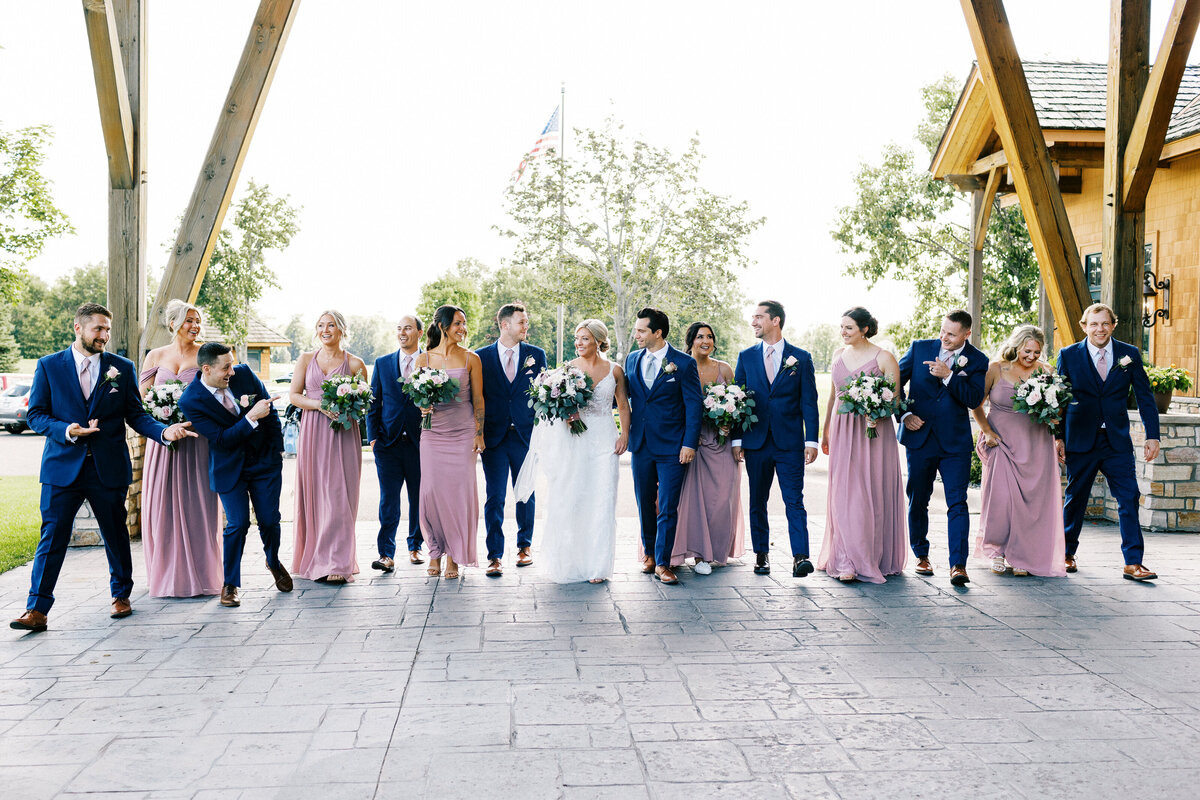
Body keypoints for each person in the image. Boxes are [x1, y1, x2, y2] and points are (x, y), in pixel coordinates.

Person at [11, 303, 197, 632]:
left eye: (107, 330)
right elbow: (37, 415)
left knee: (114, 533)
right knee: (52, 537)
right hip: (61, 467)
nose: (104, 336)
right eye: (98, 329)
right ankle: (36, 609)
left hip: (107, 468)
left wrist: (163, 431)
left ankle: (121, 595)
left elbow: (136, 415)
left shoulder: (120, 368)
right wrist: (67, 430)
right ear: (78, 328)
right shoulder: (49, 366)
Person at [178, 342, 293, 607]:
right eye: (225, 367)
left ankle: (273, 561)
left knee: (269, 520)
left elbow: (271, 412)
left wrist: (277, 451)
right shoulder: (191, 400)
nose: (232, 371)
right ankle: (230, 583)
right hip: (229, 468)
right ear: (206, 369)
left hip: (264, 463)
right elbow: (221, 439)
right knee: (238, 524)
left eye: (232, 363)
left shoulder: (244, 374)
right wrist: (250, 417)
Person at [518, 320, 629, 583]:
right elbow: (553, 404)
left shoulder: (615, 370)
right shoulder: (566, 370)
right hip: (574, 441)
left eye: (585, 339)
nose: (579, 343)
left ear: (599, 341)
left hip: (604, 440)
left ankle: (597, 566)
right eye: (577, 338)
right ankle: (571, 562)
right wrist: (568, 413)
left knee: (602, 501)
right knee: (574, 500)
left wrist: (625, 434)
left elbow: (622, 404)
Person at [1057, 303, 1161, 580]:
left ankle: (1133, 562)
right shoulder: (1068, 355)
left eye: (1105, 324)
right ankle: (1066, 554)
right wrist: (1058, 437)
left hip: (1116, 441)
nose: (1099, 329)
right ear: (1084, 326)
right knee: (1076, 498)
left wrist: (1153, 435)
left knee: (1129, 497)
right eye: (1094, 324)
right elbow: (1059, 400)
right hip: (1080, 439)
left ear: (1113, 325)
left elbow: (1145, 396)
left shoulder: (1130, 354)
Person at [896, 309, 987, 586]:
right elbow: (894, 382)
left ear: (966, 334)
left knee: (957, 503)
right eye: (942, 330)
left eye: (951, 334)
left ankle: (958, 565)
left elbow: (973, 399)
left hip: (954, 444)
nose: (943, 337)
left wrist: (949, 376)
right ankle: (921, 555)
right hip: (920, 437)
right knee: (918, 499)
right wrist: (904, 415)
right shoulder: (919, 347)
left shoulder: (979, 360)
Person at [138, 299, 222, 597]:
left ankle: (200, 574)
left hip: (197, 440)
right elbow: (142, 399)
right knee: (162, 507)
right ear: (173, 323)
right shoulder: (155, 356)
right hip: (162, 442)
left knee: (198, 504)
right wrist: (162, 418)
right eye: (189, 320)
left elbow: (222, 394)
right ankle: (167, 575)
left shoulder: (207, 355)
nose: (195, 325)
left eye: (198, 320)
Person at [817, 307, 906, 583]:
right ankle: (845, 559)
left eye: (849, 328)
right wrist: (826, 432)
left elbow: (894, 401)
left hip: (874, 433)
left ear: (864, 329)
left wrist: (874, 409)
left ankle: (871, 556)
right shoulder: (837, 356)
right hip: (843, 430)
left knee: (871, 494)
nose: (843, 333)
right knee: (845, 493)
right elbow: (833, 397)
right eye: (841, 327)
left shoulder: (885, 358)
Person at [732, 300, 820, 579]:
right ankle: (761, 555)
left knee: (794, 500)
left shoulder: (801, 358)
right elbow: (737, 399)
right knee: (757, 500)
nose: (754, 322)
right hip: (755, 442)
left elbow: (810, 402)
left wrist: (812, 441)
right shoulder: (746, 356)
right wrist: (737, 440)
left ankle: (800, 557)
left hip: (790, 443)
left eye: (759, 317)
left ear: (775, 321)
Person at [972, 325, 1066, 578]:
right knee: (1001, 500)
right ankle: (998, 551)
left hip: (1036, 443)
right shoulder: (995, 369)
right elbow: (976, 405)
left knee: (1032, 502)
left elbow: (1057, 410)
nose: (1032, 356)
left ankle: (1024, 554)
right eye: (1027, 351)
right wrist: (987, 432)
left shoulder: (1046, 372)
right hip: (1001, 441)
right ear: (1016, 346)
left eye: (1037, 352)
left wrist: (1055, 420)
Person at [624, 307, 702, 585]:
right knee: (645, 503)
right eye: (637, 330)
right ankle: (648, 554)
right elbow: (625, 399)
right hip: (641, 444)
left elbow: (694, 406)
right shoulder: (631, 359)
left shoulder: (683, 363)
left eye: (642, 330)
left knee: (668, 506)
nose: (637, 335)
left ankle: (663, 562)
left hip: (673, 448)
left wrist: (689, 444)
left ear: (658, 332)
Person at [289, 310, 367, 585]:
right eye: (320, 325)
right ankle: (314, 557)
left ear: (342, 330)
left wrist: (347, 406)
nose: (325, 330)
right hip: (312, 432)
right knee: (315, 495)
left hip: (343, 434)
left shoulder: (355, 364)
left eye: (331, 325)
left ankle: (338, 560)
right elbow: (295, 396)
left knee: (338, 496)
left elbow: (363, 404)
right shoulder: (306, 359)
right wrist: (321, 405)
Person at [476, 303, 547, 577]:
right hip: (493, 438)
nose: (526, 326)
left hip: (524, 436)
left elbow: (543, 394)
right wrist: (478, 432)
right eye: (521, 322)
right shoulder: (480, 358)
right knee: (494, 497)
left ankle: (524, 547)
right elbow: (477, 398)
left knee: (525, 493)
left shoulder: (536, 355)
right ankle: (494, 555)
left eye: (526, 321)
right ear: (504, 325)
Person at [416, 305, 485, 579]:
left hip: (463, 434)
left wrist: (479, 432)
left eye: (464, 324)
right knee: (431, 493)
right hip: (433, 433)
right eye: (457, 323)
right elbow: (418, 396)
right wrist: (422, 406)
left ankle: (454, 556)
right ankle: (435, 550)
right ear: (443, 326)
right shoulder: (423, 359)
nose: (462, 328)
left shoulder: (471, 359)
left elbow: (478, 400)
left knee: (458, 496)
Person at [672, 322, 745, 574]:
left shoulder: (724, 368)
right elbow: (673, 406)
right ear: (690, 340)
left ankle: (713, 551)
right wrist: (689, 437)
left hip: (721, 443)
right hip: (691, 443)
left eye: (710, 336)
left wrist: (732, 434)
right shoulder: (680, 366)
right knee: (690, 500)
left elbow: (739, 406)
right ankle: (693, 552)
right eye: (700, 336)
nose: (706, 341)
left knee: (721, 499)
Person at [367, 314, 425, 572]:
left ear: (419, 333)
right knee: (388, 500)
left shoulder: (430, 362)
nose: (402, 333)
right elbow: (373, 402)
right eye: (399, 328)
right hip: (387, 445)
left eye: (408, 328)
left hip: (420, 442)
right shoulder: (382, 363)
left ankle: (415, 546)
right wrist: (373, 437)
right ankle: (386, 554)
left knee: (418, 498)